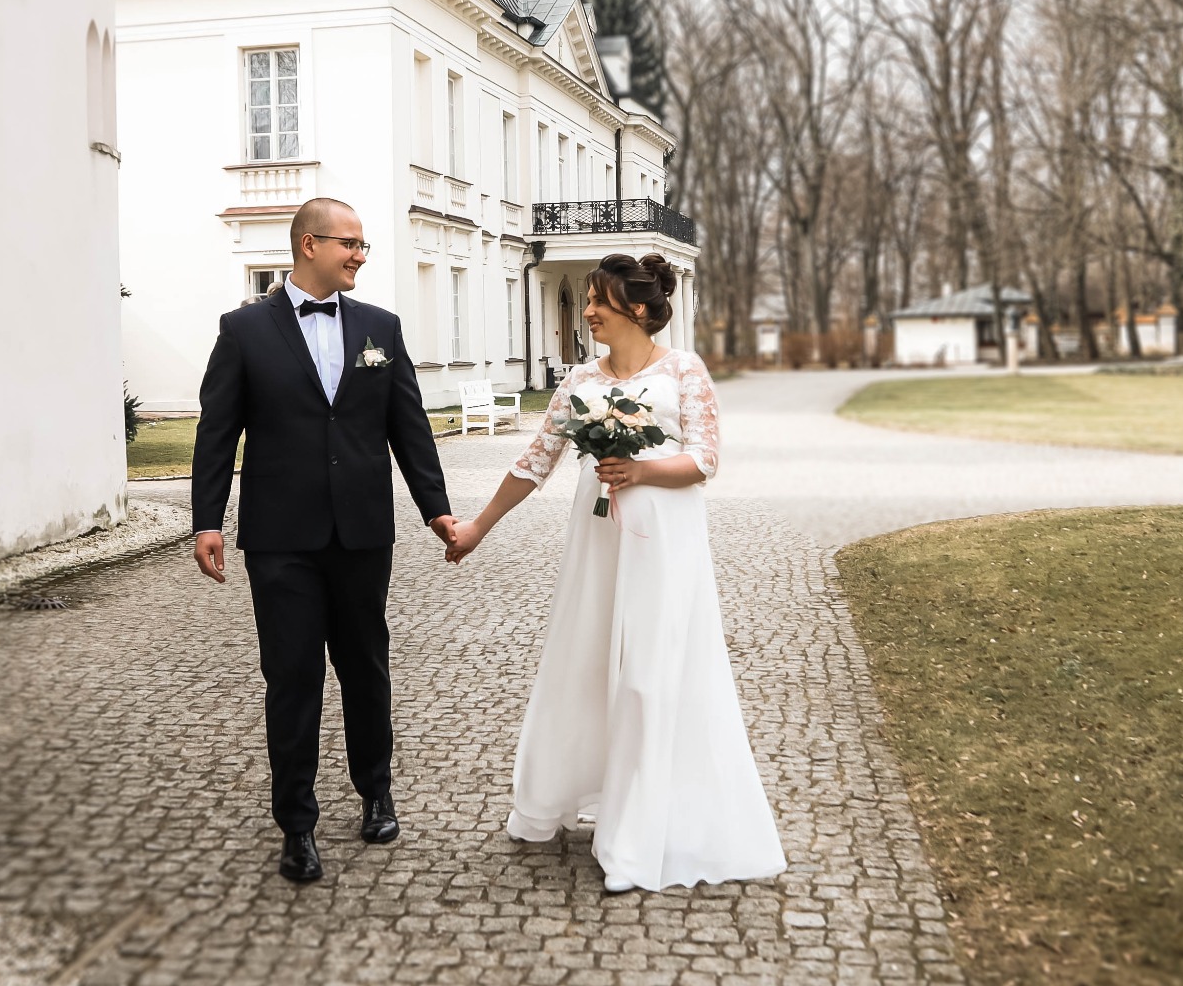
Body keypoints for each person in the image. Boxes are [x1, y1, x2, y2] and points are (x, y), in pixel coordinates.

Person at [444, 253, 786, 893]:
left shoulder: (684, 369)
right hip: (596, 539)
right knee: (585, 658)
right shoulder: (578, 380)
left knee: (648, 673)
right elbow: (535, 461)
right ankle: (569, 788)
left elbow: (705, 460)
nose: (589, 311)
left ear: (633, 307)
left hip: (663, 538)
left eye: (598, 300)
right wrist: (477, 527)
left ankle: (637, 830)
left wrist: (642, 470)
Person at [191, 197, 455, 883]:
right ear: (309, 244)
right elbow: (218, 430)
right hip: (282, 537)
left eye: (363, 246)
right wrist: (207, 519)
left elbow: (410, 427)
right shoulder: (244, 330)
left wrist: (437, 510)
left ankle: (376, 791)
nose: (360, 255)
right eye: (351, 243)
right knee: (293, 677)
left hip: (364, 532)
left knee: (367, 667)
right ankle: (297, 824)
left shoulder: (380, 329)